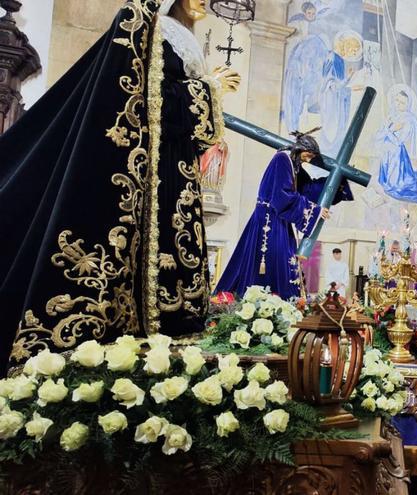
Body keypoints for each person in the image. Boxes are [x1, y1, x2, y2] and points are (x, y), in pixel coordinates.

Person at [0, 0, 239, 367]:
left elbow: (185, 126)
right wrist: (210, 88)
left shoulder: (180, 39)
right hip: (153, 175)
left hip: (175, 172)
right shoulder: (147, 27)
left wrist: (207, 90)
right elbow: (148, 103)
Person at [214, 130, 352, 300]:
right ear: (301, 149)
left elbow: (308, 188)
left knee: (285, 262)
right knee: (275, 262)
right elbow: (281, 196)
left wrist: (337, 180)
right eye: (308, 156)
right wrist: (314, 211)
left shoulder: (294, 165)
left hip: (279, 221)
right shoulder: (282, 159)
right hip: (269, 221)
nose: (307, 160)